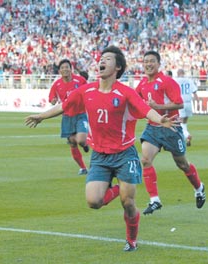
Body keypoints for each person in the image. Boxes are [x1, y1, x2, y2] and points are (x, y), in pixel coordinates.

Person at [25, 46, 180, 251]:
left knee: (129, 204)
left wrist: (160, 119)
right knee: (94, 201)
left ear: (117, 67)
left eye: (108, 59)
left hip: (124, 155)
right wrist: (41, 116)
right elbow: (64, 105)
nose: (102, 61)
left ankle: (131, 240)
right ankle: (118, 188)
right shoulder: (86, 90)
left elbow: (145, 109)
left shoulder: (125, 93)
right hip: (99, 156)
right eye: (101, 58)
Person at [135, 51, 206, 215]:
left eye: (152, 61)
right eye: (145, 61)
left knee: (182, 164)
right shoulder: (143, 83)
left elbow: (179, 104)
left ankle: (199, 188)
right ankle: (154, 200)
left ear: (159, 64)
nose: (148, 64)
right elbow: (135, 99)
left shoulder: (167, 82)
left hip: (171, 127)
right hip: (152, 128)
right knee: (145, 160)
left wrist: (157, 107)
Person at [48, 59, 89, 175]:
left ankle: (85, 143)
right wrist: (53, 100)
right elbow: (51, 97)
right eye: (62, 68)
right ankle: (83, 168)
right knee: (72, 142)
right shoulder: (57, 84)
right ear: (60, 71)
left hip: (81, 114)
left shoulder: (80, 80)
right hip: (67, 116)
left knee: (80, 140)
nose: (65, 69)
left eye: (67, 67)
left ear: (71, 69)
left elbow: (89, 92)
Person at [175, 68, 199, 146]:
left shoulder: (176, 81)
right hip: (189, 103)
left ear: (178, 74)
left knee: (179, 121)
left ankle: (186, 135)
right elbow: (194, 92)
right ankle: (185, 134)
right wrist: (198, 103)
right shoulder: (189, 80)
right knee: (185, 121)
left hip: (181, 103)